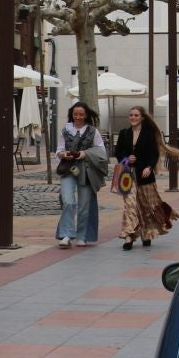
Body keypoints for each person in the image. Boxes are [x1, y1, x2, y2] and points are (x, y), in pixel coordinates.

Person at [113, 106, 179, 251]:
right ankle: (128, 236)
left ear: (142, 117)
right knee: (130, 206)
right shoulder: (124, 133)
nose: (132, 117)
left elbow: (154, 154)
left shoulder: (149, 134)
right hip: (128, 177)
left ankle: (147, 234)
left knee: (146, 207)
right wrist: (126, 158)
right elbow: (117, 153)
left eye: (136, 115)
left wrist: (149, 167)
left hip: (144, 177)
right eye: (131, 115)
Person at [54, 101, 107, 249]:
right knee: (68, 201)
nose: (78, 117)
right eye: (75, 114)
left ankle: (82, 236)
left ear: (86, 115)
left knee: (84, 205)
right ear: (72, 114)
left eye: (81, 114)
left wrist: (84, 153)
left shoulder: (93, 131)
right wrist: (63, 154)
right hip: (68, 168)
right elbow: (58, 150)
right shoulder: (65, 130)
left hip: (87, 170)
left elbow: (102, 152)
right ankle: (66, 234)